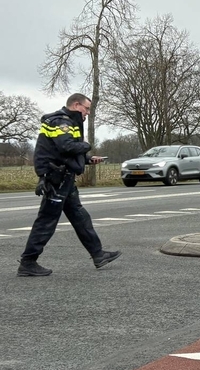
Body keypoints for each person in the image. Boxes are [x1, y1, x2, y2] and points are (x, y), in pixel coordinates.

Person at [17, 93, 122, 277]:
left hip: (64, 178)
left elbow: (63, 153)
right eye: (86, 108)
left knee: (80, 217)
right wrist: (87, 146)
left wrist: (88, 160)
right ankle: (28, 262)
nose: (87, 113)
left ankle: (98, 254)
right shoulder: (62, 123)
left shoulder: (67, 122)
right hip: (56, 179)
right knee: (46, 222)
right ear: (76, 105)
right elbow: (67, 147)